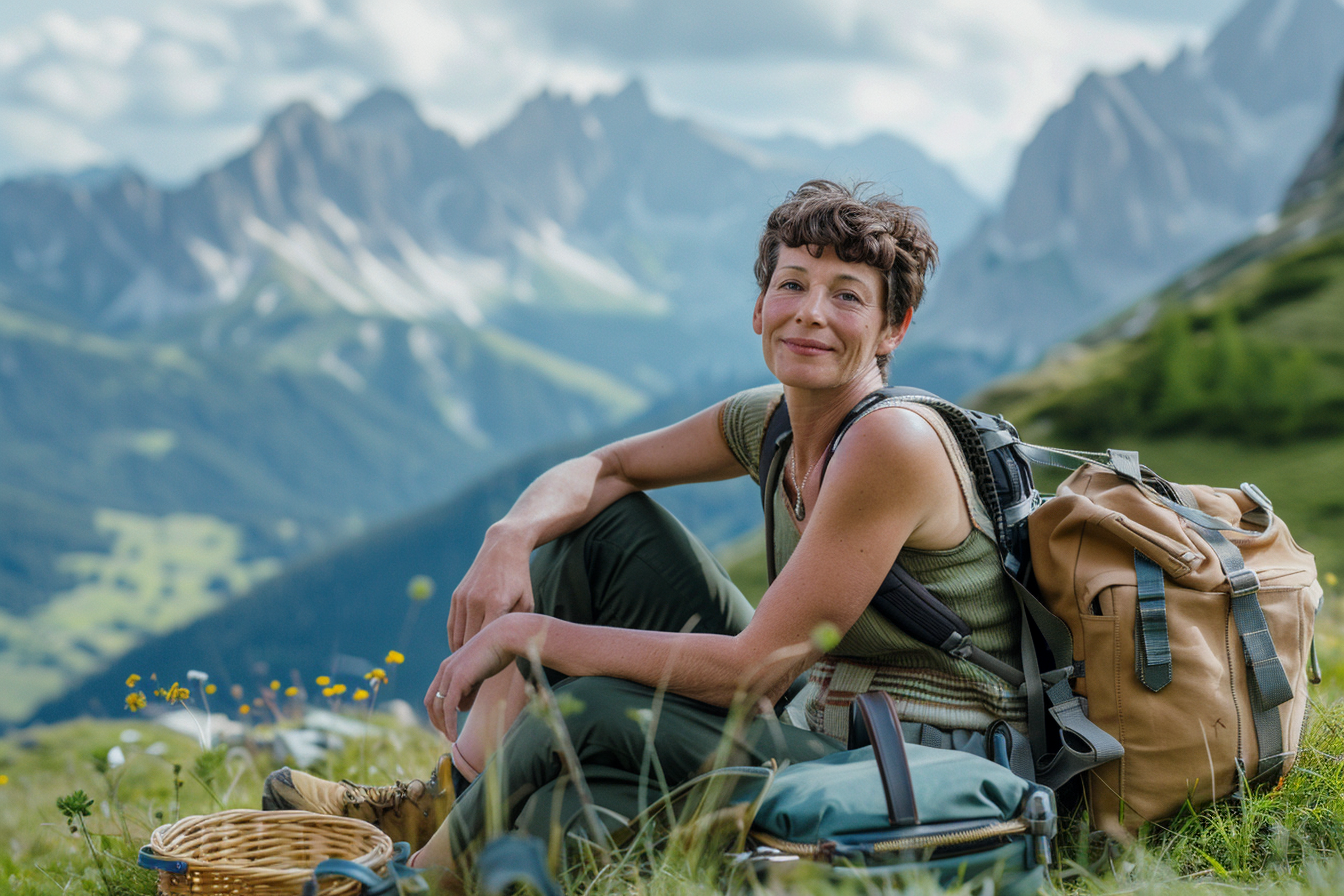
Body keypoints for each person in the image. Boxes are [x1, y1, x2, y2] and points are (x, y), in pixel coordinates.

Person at [263, 180, 1024, 878]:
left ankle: (410, 882)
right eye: (792, 284)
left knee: (586, 723)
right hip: (810, 714)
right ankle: (449, 797)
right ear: (759, 307)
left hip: (909, 769)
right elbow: (608, 467)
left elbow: (751, 670)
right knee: (588, 530)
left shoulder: (893, 443)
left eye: (848, 297)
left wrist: (530, 636)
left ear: (894, 328)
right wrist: (509, 536)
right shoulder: (772, 422)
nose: (811, 313)